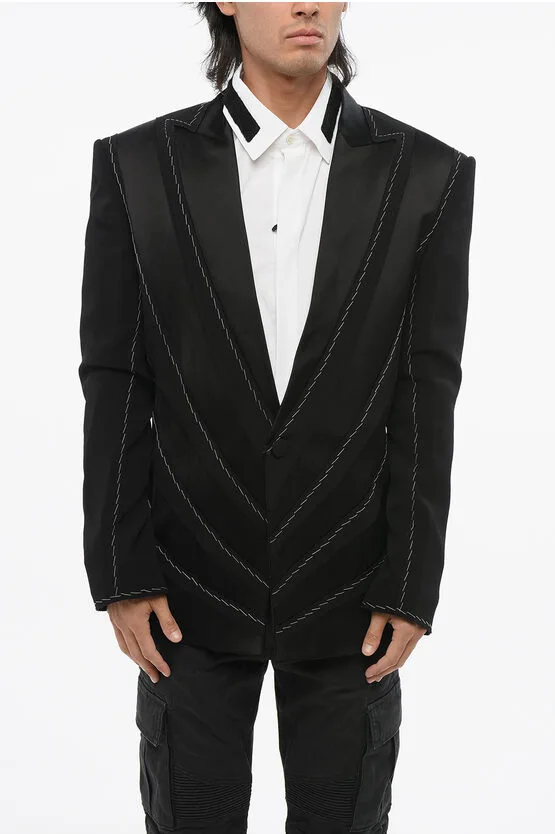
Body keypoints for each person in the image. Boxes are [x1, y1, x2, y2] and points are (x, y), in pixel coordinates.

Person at [78, 3, 476, 832]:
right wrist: (120, 570)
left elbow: (426, 388)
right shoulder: (137, 165)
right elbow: (116, 377)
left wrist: (410, 583)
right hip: (184, 585)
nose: (306, 4)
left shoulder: (426, 174)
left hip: (353, 590)